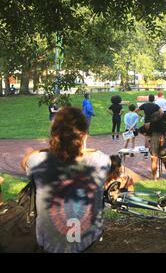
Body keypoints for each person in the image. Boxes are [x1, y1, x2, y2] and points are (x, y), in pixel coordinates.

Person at [20, 106, 111, 253]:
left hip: (49, 243)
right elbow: (86, 154)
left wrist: (49, 149)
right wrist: (82, 147)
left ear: (54, 135)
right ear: (85, 135)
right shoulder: (100, 160)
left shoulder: (38, 160)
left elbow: (24, 162)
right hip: (88, 241)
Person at [136, 94, 166, 179]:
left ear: (149, 99)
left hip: (146, 122)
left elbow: (136, 110)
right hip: (154, 122)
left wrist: (142, 116)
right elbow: (162, 112)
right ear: (154, 99)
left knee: (146, 136)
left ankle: (146, 152)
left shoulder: (144, 105)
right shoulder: (156, 105)